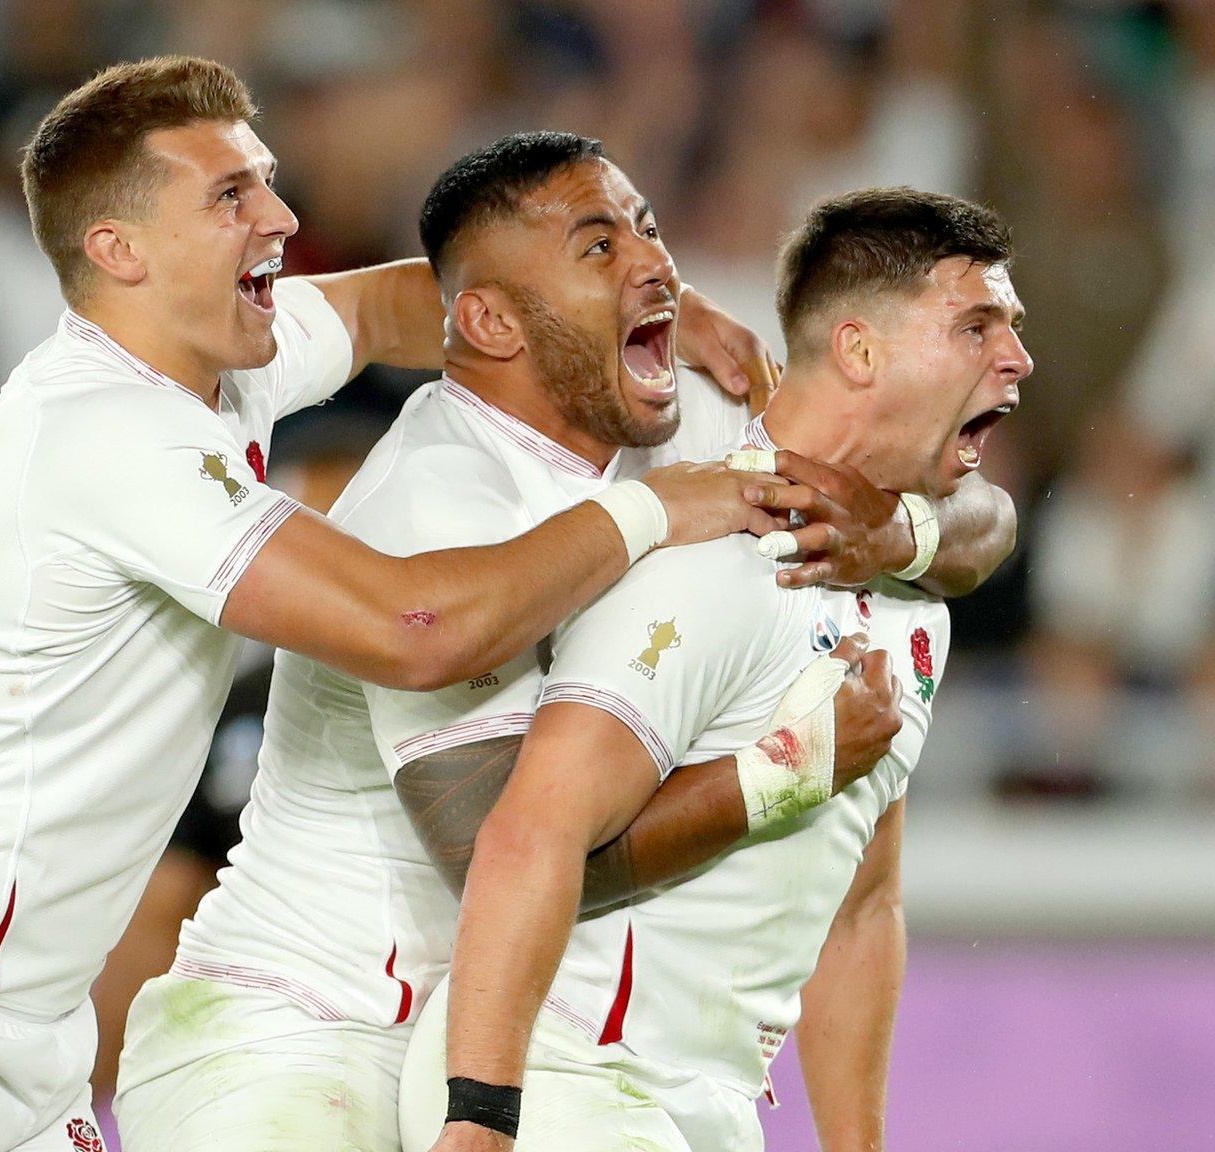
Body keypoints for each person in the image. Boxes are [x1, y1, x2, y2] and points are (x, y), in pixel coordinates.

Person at [0, 56, 792, 1152]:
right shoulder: (105, 427)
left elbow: (408, 304)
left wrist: (638, 304)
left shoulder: (220, 357)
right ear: (117, 251)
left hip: (20, 1042)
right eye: (229, 196)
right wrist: (660, 511)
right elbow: (413, 630)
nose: (279, 212)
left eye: (262, 178)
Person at [114, 134, 1018, 1152]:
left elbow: (944, 489)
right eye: (597, 247)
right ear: (493, 322)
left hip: (470, 1037)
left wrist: (898, 534)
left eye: (648, 229)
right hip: (295, 1033)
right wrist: (782, 773)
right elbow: (511, 847)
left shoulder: (678, 426)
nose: (650, 262)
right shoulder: (439, 498)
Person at [403, 187, 1030, 1152]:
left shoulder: (914, 603)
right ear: (859, 351)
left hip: (707, 1105)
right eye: (977, 325)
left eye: (1013, 328)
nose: (1016, 359)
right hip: (571, 1081)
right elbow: (532, 831)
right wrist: (479, 1120)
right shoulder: (713, 556)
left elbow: (860, 910)